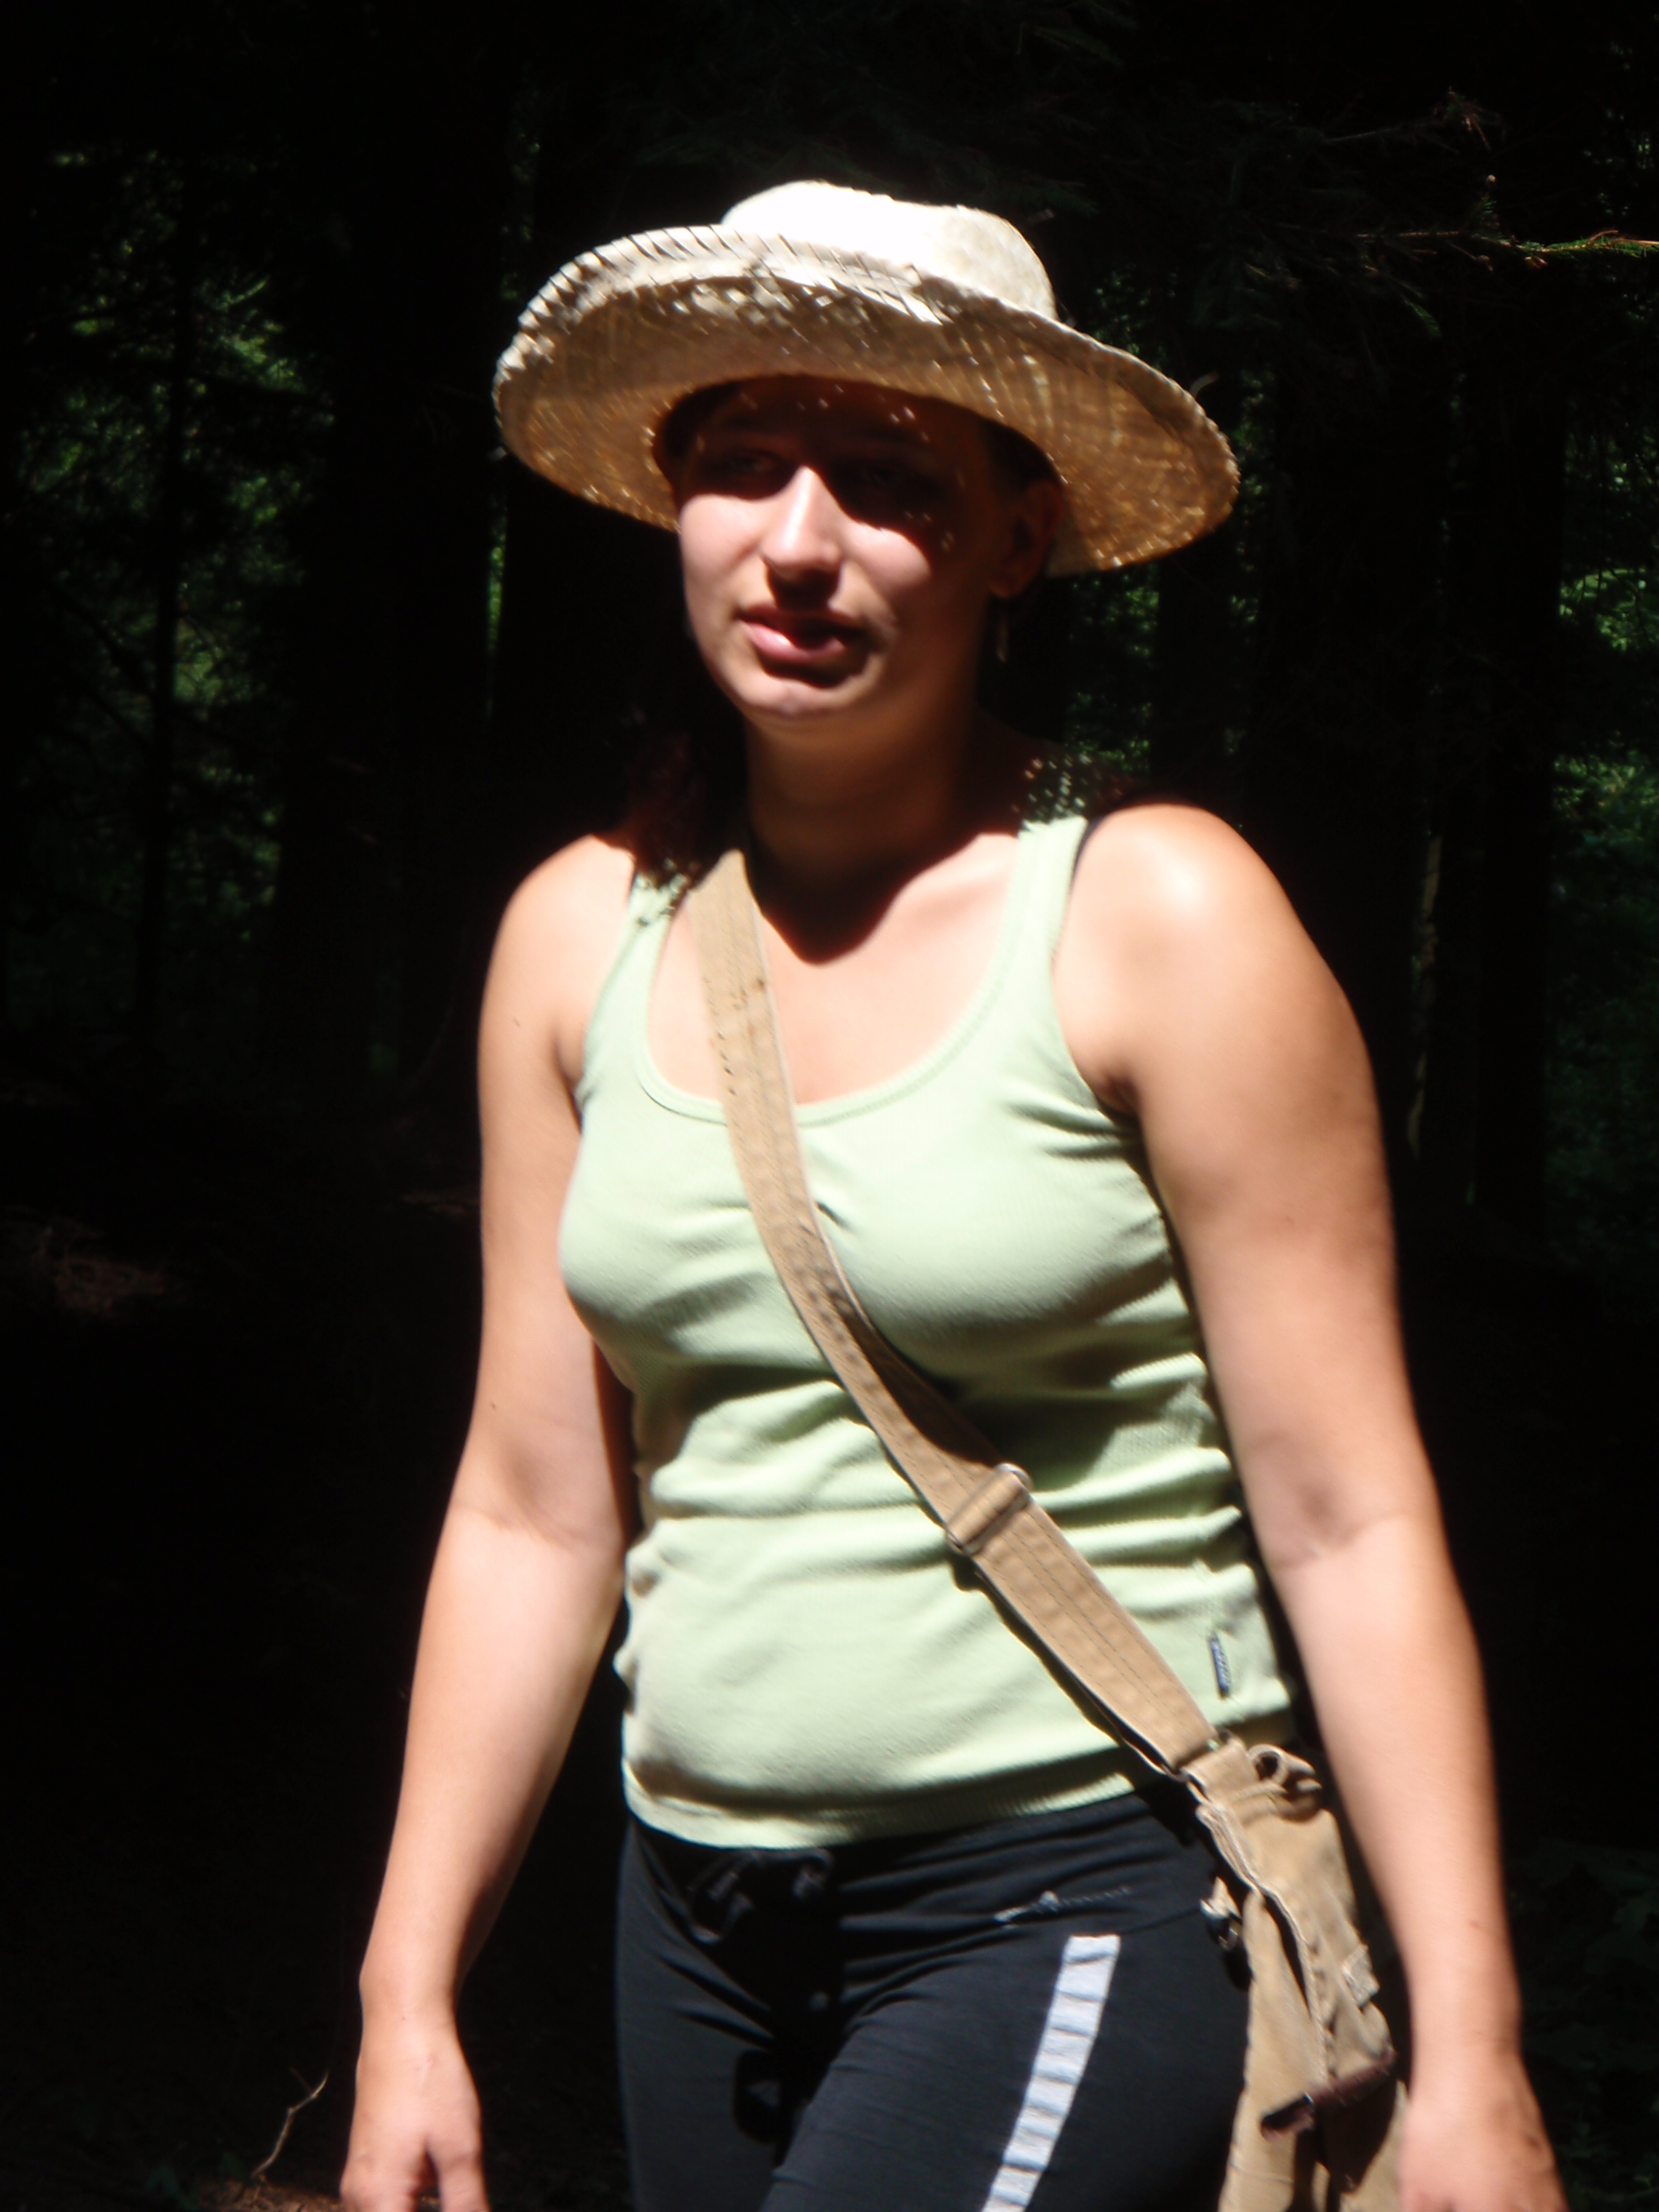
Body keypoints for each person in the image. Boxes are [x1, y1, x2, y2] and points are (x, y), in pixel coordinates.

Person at [342, 184, 1563, 2212]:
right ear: (676, 509)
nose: (799, 540)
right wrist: (406, 1995)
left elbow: (1349, 1516)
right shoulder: (579, 938)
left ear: (1019, 538)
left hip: (1080, 1884)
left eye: (890, 479)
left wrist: (1477, 2057)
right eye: (744, 464)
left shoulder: (1157, 918)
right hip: (695, 1925)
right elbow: (536, 1508)